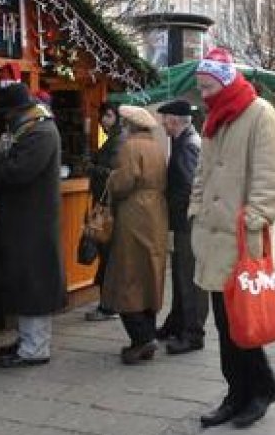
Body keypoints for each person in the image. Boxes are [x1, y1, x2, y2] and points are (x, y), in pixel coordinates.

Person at [189, 47, 275, 429]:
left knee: (243, 321)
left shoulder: (260, 114)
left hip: (243, 238)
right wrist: (196, 210)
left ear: (225, 80)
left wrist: (253, 222)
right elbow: (202, 174)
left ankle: (256, 391)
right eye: (200, 86)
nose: (203, 93)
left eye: (207, 85)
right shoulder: (215, 118)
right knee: (224, 323)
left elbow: (272, 178)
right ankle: (238, 391)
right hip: (213, 238)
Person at [0, 83, 65, 368]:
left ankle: (35, 348)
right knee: (25, 283)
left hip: (32, 222)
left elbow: (18, 172)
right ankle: (27, 341)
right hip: (26, 221)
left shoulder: (40, 133)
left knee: (34, 284)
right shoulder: (33, 129)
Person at [102, 105, 169, 364]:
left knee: (128, 273)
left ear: (130, 124)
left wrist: (111, 179)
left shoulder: (131, 147)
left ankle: (141, 339)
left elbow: (124, 181)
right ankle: (147, 333)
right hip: (156, 212)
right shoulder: (156, 146)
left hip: (134, 213)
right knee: (149, 271)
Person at [155, 99, 209, 355]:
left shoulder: (187, 146)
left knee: (189, 279)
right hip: (185, 223)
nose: (162, 123)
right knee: (180, 276)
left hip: (189, 225)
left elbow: (190, 188)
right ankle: (176, 324)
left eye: (164, 119)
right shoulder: (186, 142)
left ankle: (193, 333)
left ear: (174, 120)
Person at [85, 102, 122, 322]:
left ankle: (108, 306)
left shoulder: (118, 141)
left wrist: (91, 167)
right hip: (106, 206)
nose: (104, 120)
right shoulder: (113, 138)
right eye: (103, 115)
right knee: (106, 256)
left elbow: (113, 174)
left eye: (108, 115)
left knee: (107, 256)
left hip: (107, 208)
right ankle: (108, 304)